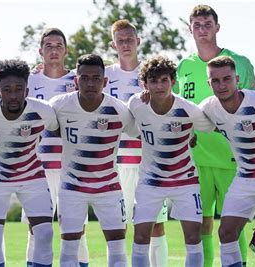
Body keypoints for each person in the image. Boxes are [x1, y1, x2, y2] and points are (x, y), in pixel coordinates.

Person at [173, 5, 255, 266]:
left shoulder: (239, 63)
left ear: (217, 27)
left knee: (232, 225)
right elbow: (175, 107)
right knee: (199, 225)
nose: (202, 30)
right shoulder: (183, 66)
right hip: (195, 158)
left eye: (207, 24)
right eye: (196, 25)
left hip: (231, 157)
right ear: (190, 29)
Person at [0, 59, 57, 266]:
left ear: (27, 90)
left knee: (44, 233)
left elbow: (57, 128)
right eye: (7, 90)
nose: (13, 95)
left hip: (32, 177)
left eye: (19, 89)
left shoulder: (43, 111)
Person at [129, 55, 215, 267]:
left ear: (173, 81)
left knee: (193, 239)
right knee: (140, 238)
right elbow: (131, 128)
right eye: (153, 80)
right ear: (145, 84)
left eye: (164, 80)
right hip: (150, 182)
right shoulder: (136, 104)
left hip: (185, 181)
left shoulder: (189, 110)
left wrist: (191, 136)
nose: (159, 85)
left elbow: (210, 126)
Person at [50, 54, 136, 266]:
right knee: (69, 245)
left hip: (108, 187)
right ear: (75, 81)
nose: (90, 83)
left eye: (96, 78)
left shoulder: (120, 110)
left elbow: (141, 129)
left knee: (117, 244)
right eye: (85, 78)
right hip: (72, 187)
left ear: (105, 81)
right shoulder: (58, 106)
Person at [199, 56, 255, 267]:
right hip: (246, 177)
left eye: (227, 79)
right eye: (215, 81)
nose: (221, 85)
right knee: (226, 233)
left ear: (237, 79)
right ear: (209, 84)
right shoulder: (208, 107)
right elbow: (182, 116)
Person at [104, 19, 168, 266]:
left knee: (155, 225)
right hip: (114, 163)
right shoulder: (105, 75)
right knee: (118, 226)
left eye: (130, 39)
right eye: (120, 40)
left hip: (148, 161)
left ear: (138, 41)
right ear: (113, 44)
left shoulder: (153, 74)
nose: (125, 44)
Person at [24, 27, 89, 267]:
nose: (53, 50)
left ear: (66, 50)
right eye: (48, 46)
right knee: (37, 229)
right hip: (36, 166)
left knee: (76, 229)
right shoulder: (29, 81)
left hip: (71, 166)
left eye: (58, 45)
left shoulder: (78, 81)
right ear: (40, 51)